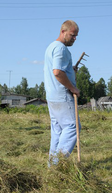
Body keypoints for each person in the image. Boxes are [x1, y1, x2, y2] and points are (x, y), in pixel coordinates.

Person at [44, 20, 81, 166]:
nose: (74, 39)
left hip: (52, 96)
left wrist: (70, 70)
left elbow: (60, 69)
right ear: (63, 32)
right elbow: (57, 72)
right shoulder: (61, 49)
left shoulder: (51, 47)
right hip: (62, 96)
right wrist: (73, 88)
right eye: (72, 35)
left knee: (58, 131)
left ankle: (52, 165)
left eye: (76, 36)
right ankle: (58, 164)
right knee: (73, 127)